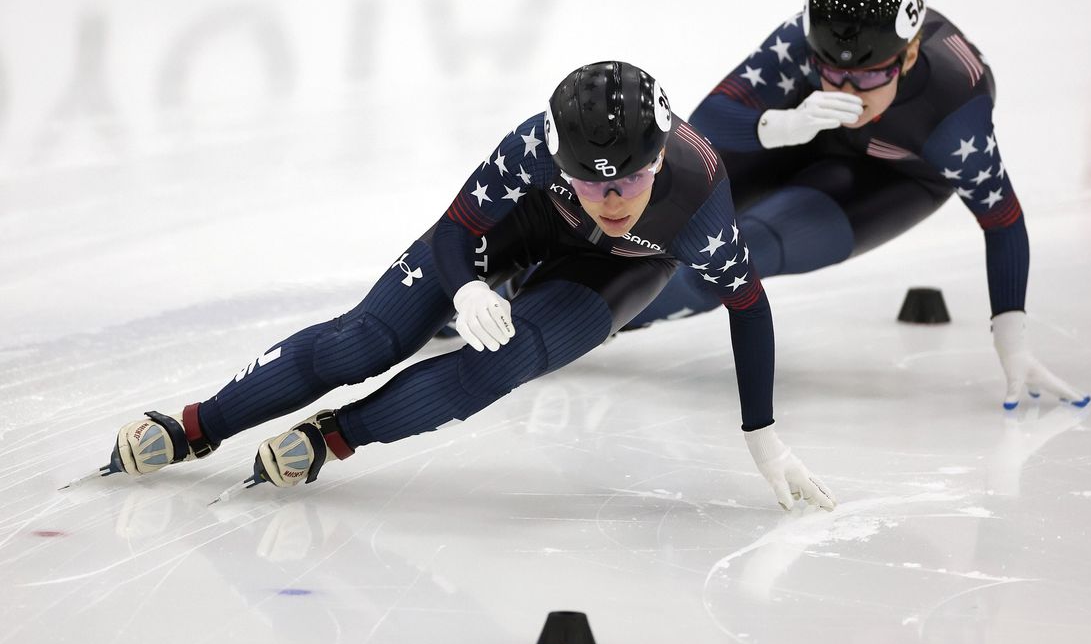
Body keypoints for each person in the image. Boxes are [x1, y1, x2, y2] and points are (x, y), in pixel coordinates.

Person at [99, 61, 835, 512]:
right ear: (558, 159)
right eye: (589, 181)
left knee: (504, 362)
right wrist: (464, 291)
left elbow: (748, 302)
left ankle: (336, 436)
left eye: (632, 180)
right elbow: (457, 228)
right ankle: (195, 426)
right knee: (365, 340)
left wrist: (762, 436)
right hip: (523, 227)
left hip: (619, 269)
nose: (612, 200)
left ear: (661, 156)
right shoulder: (528, 147)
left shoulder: (699, 190)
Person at [626, 0, 1090, 411]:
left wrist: (1012, 338)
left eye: (868, 77)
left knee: (737, 256)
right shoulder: (804, 43)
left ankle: (611, 319)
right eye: (831, 72)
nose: (847, 92)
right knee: (667, 189)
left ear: (908, 56)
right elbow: (702, 130)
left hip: (891, 178)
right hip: (807, 135)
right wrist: (783, 125)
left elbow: (1002, 217)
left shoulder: (954, 106)